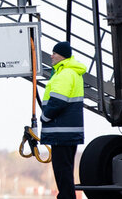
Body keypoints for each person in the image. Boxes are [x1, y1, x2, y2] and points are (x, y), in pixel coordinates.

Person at [40, 41, 85, 199]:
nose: (51, 56)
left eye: (55, 53)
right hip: (66, 132)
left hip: (61, 132)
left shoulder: (65, 73)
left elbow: (58, 101)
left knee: (62, 171)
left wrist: (44, 116)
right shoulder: (70, 72)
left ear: (63, 55)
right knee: (65, 170)